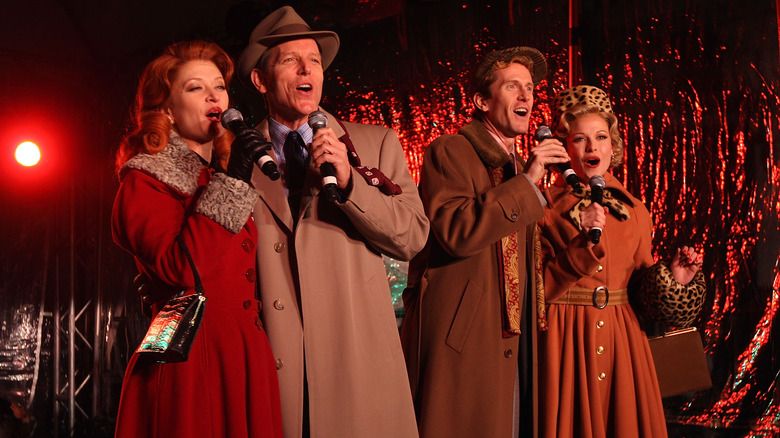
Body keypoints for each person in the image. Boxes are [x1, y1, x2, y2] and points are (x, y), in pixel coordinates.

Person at [236, 6, 429, 438]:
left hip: (355, 365)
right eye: (290, 60)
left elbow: (413, 237)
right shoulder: (235, 156)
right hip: (273, 361)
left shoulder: (372, 142)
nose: (308, 69)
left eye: (315, 61)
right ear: (260, 80)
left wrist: (350, 183)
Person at [111, 40, 283, 437]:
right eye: (194, 87)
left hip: (243, 348)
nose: (213, 95)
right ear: (167, 110)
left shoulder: (219, 175)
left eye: (219, 86)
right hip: (190, 352)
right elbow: (181, 269)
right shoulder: (145, 179)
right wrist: (233, 181)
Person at [399, 46, 571, 437]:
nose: (527, 96)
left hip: (513, 333)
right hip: (466, 337)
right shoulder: (451, 150)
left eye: (529, 88)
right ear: (481, 100)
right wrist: (527, 183)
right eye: (513, 86)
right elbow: (457, 232)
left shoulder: (515, 167)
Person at [537, 85, 705, 437]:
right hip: (565, 338)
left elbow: (643, 293)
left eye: (600, 137)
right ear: (565, 149)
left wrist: (673, 279)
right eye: (579, 139)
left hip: (623, 338)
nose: (592, 146)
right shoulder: (543, 206)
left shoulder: (635, 210)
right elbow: (535, 290)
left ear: (614, 145)